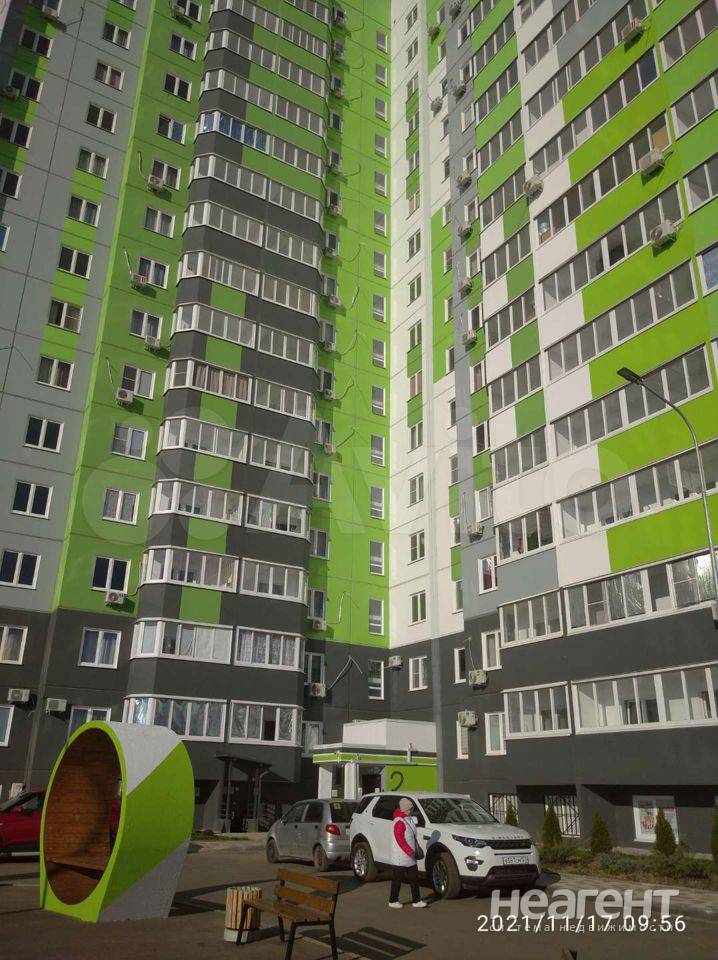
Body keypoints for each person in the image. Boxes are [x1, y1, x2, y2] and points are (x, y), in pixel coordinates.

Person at [388, 797, 427, 908]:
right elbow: (400, 840)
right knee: (397, 880)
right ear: (405, 809)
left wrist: (411, 852)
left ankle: (416, 900)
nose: (412, 811)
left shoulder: (408, 819)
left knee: (414, 879)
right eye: (410, 809)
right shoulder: (399, 822)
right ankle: (393, 901)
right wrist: (410, 852)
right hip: (400, 857)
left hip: (410, 856)